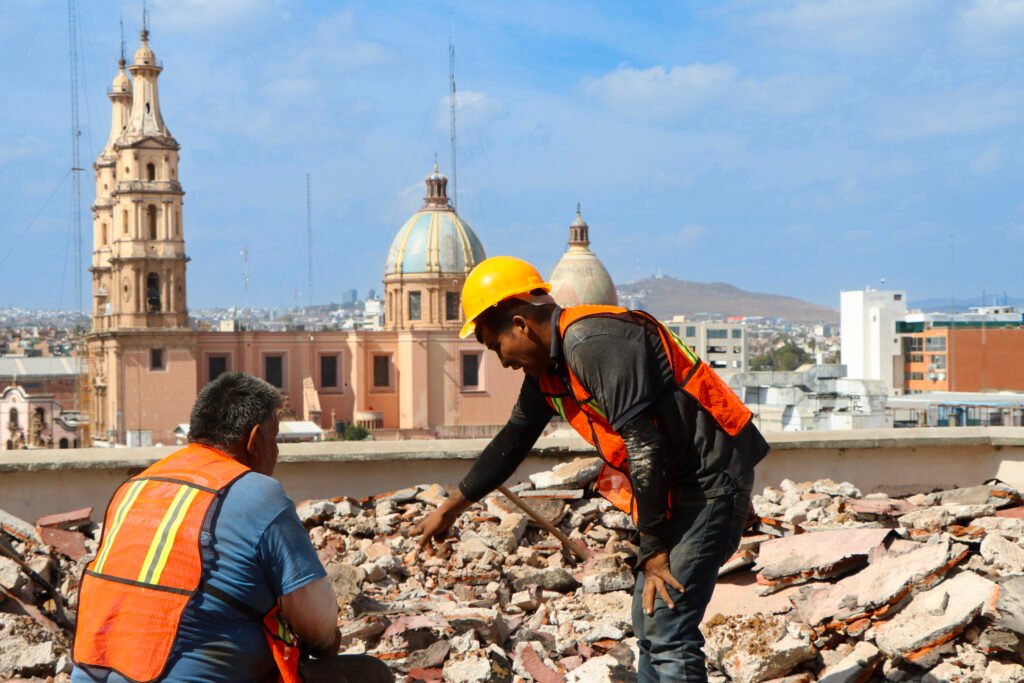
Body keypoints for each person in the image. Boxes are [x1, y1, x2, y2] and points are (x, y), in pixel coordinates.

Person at [414, 256, 770, 682]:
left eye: (495, 346)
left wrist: (653, 551)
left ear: (521, 325)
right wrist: (452, 507)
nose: (502, 361)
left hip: (712, 483)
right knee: (649, 618)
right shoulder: (549, 369)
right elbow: (511, 443)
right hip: (680, 487)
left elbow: (644, 446)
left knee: (670, 626)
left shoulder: (592, 341)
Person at [72, 371, 392, 683]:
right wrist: (325, 643)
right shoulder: (258, 493)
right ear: (254, 439)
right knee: (370, 674)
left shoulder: (137, 486)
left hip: (93, 672)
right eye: (275, 437)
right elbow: (316, 622)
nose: (276, 452)